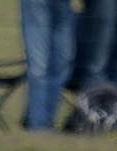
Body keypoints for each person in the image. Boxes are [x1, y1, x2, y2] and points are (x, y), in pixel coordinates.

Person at [21, 0, 77, 130]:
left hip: (63, 4)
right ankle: (37, 126)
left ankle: (46, 122)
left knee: (62, 64)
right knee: (38, 67)